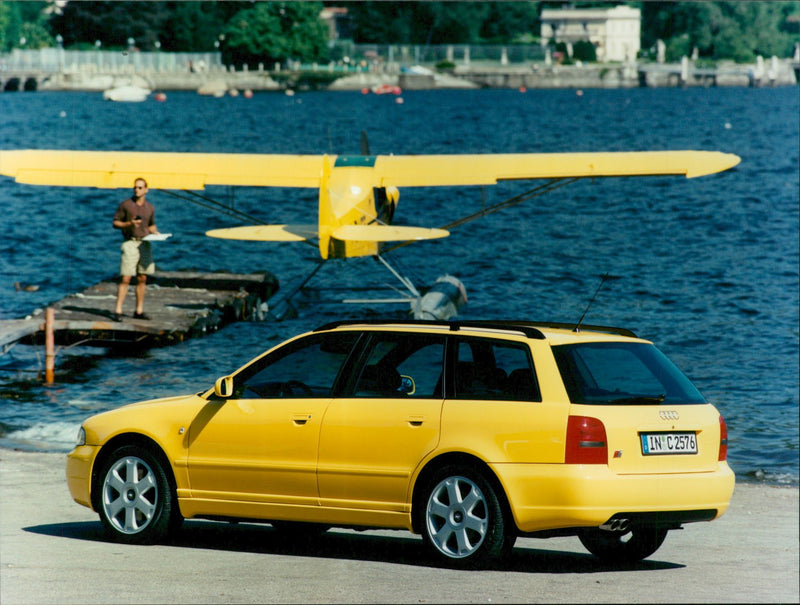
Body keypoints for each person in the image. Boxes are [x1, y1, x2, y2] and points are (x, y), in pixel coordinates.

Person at [112, 178, 159, 321]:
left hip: (144, 243)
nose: (137, 190)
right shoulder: (126, 205)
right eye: (135, 188)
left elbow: (151, 225)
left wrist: (156, 233)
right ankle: (118, 311)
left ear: (146, 190)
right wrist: (129, 224)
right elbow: (115, 222)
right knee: (126, 277)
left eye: (140, 188)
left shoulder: (150, 207)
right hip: (130, 243)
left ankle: (139, 311)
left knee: (142, 277)